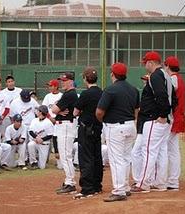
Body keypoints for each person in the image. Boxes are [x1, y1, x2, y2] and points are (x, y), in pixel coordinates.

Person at [131, 51, 176, 193]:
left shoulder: (156, 75)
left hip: (154, 119)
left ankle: (143, 183)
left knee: (148, 151)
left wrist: (162, 115)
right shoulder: (166, 75)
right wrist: (167, 114)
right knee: (161, 151)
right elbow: (174, 99)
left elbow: (161, 96)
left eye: (145, 63)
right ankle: (160, 183)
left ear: (151, 62)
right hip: (165, 120)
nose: (145, 66)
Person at [96, 63, 139, 202]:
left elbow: (99, 111)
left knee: (116, 160)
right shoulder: (133, 89)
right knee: (126, 158)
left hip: (115, 127)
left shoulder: (110, 90)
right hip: (130, 125)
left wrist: (102, 120)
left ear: (112, 74)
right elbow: (136, 110)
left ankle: (119, 191)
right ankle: (125, 187)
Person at [73, 66, 103, 199]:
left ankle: (87, 188)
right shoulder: (102, 92)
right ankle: (97, 186)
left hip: (86, 128)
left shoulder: (85, 93)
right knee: (97, 156)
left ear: (85, 78)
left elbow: (75, 112)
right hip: (98, 127)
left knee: (86, 158)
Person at [51, 72, 78, 194]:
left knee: (66, 156)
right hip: (65, 125)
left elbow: (54, 109)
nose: (62, 82)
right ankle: (69, 181)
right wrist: (57, 109)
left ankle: (70, 183)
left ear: (71, 81)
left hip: (66, 125)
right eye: (62, 80)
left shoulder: (69, 94)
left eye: (65, 80)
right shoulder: (68, 94)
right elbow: (54, 109)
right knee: (65, 156)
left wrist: (57, 109)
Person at [164, 56, 185, 191]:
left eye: (165, 66)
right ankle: (173, 181)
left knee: (161, 149)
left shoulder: (172, 79)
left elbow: (167, 100)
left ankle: (160, 180)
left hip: (172, 118)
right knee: (173, 151)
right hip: (178, 117)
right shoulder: (180, 79)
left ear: (167, 66)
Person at [9, 89, 39, 168]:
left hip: (32, 124)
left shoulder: (32, 101)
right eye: (24, 98)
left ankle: (33, 160)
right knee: (23, 143)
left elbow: (38, 111)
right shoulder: (15, 102)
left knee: (32, 143)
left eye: (28, 98)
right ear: (20, 96)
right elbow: (11, 116)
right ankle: (24, 160)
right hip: (21, 125)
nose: (26, 100)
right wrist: (15, 127)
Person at [42, 79, 63, 169]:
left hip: (58, 121)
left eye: (51, 86)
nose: (49, 87)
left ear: (56, 86)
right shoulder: (47, 96)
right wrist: (50, 118)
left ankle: (60, 159)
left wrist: (56, 118)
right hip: (48, 120)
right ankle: (44, 159)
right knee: (46, 140)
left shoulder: (62, 96)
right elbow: (43, 108)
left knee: (57, 139)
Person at [28, 105, 54, 170]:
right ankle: (33, 162)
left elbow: (50, 135)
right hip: (36, 142)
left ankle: (39, 160)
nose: (37, 111)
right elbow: (30, 131)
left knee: (42, 167)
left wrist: (42, 139)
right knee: (30, 144)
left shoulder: (48, 122)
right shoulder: (34, 120)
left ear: (41, 112)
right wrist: (37, 138)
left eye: (38, 110)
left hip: (44, 144)